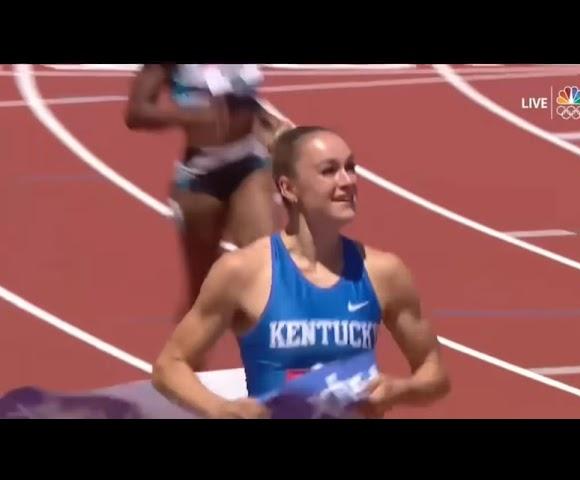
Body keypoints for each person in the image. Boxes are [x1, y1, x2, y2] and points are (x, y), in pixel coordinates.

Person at [151, 126, 451, 419]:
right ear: (288, 188)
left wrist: (401, 390)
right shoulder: (245, 272)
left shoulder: (383, 272)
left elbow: (434, 371)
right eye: (329, 171)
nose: (347, 181)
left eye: (350, 167)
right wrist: (222, 409)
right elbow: (170, 366)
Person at [124, 64, 290, 337]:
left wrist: (265, 119)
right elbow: (136, 112)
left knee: (265, 268)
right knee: (202, 296)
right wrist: (190, 117)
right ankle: (185, 369)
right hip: (201, 173)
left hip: (249, 163)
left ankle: (274, 366)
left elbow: (237, 96)